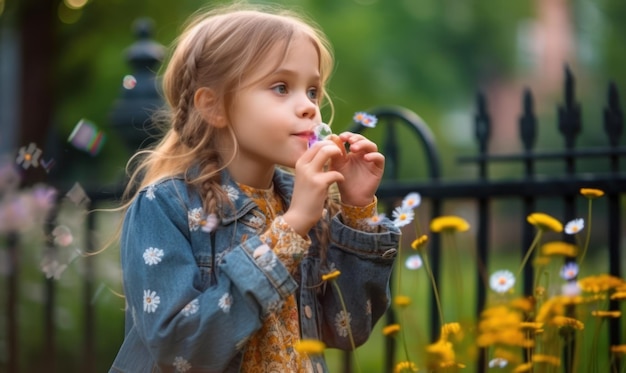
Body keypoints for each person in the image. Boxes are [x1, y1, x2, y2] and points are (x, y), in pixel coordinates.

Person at [110, 2, 400, 372]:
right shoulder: (163, 206)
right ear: (213, 107)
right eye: (281, 87)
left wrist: (357, 211)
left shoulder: (300, 203)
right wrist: (290, 231)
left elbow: (345, 329)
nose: (309, 107)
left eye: (312, 90)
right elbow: (181, 349)